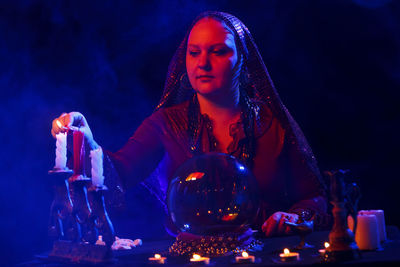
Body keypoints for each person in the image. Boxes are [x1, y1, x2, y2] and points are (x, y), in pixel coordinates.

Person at [51, 11, 328, 237]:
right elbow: (118, 177)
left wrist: (295, 216)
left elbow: (315, 197)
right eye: (194, 52)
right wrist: (85, 139)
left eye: (218, 51)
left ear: (242, 59)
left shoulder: (271, 122)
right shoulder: (166, 124)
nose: (203, 63)